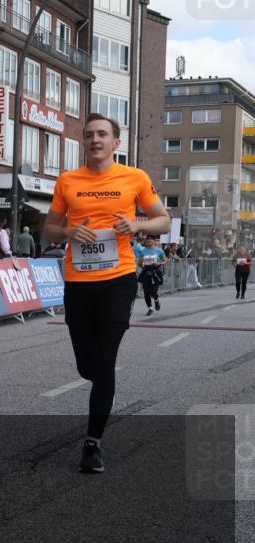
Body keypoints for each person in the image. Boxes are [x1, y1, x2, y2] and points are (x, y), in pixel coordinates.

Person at [44, 113, 170, 474]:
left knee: (104, 361)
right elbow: (49, 229)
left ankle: (93, 444)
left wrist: (137, 223)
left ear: (116, 142)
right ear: (83, 142)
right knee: (88, 366)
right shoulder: (68, 181)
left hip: (118, 279)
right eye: (89, 135)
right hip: (79, 282)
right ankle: (98, 380)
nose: (95, 139)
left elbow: (163, 220)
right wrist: (68, 233)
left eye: (102, 134)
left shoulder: (135, 178)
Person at [133, 235, 167, 315]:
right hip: (146, 273)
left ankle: (156, 300)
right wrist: (144, 266)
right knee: (146, 292)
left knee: (153, 291)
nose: (149, 241)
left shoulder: (159, 250)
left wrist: (159, 263)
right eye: (148, 239)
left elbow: (165, 260)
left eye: (151, 239)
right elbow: (139, 263)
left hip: (156, 274)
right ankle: (150, 308)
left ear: (154, 241)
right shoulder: (143, 251)